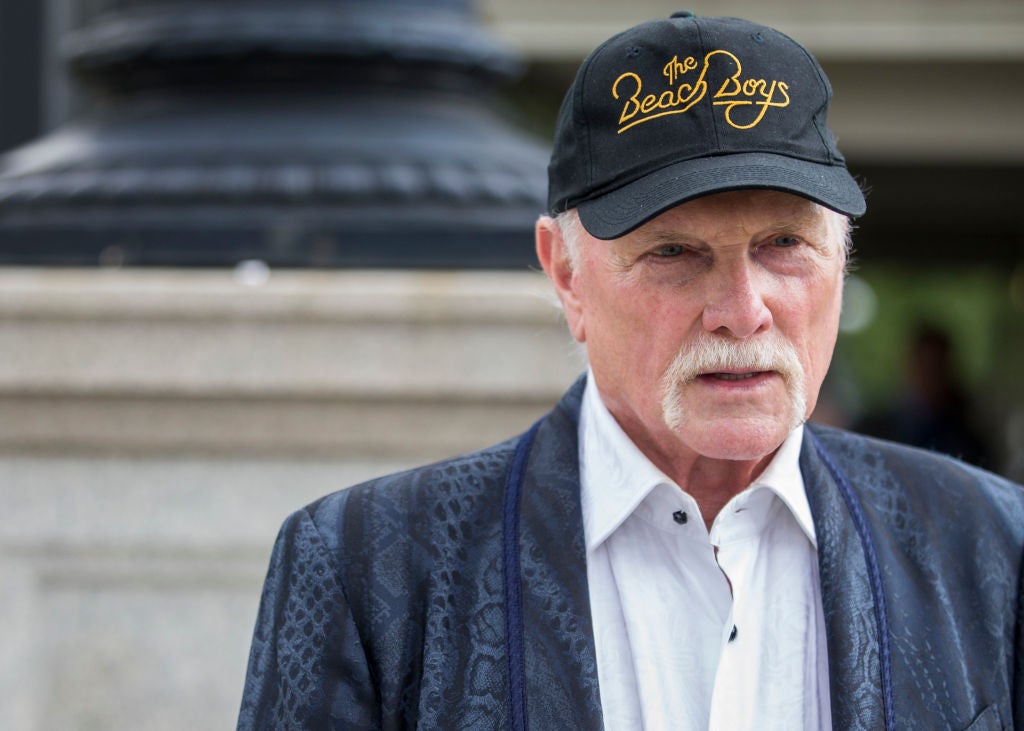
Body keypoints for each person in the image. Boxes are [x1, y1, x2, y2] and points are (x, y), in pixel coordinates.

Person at [237, 12, 1024, 730]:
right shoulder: (368, 569)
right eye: (674, 251)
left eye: (784, 244)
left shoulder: (991, 546)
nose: (741, 310)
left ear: (841, 258)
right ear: (566, 274)